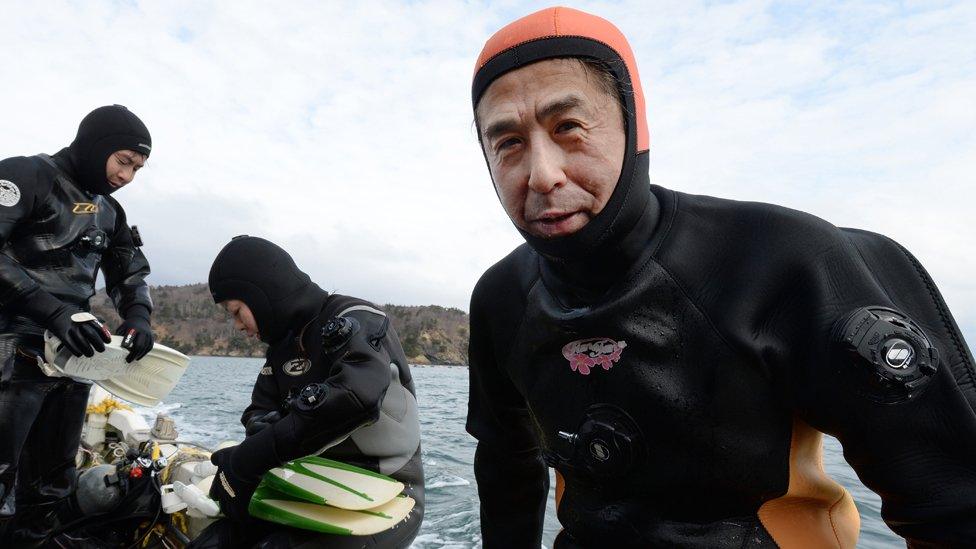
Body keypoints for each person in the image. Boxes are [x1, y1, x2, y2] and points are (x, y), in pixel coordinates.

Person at [465, 6, 976, 548]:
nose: (542, 175)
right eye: (509, 143)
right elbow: (506, 470)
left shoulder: (778, 262)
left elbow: (954, 504)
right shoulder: (503, 300)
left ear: (634, 127)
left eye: (568, 127)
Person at [193, 235, 424, 548]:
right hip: (306, 485)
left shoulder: (356, 317)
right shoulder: (281, 349)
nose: (238, 326)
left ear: (261, 295)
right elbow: (259, 407)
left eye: (236, 311)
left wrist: (254, 454)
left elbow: (358, 397)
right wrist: (260, 426)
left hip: (386, 494)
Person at [0, 105, 156, 545]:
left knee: (52, 480)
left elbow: (130, 275)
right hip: (11, 345)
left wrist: (139, 316)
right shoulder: (27, 175)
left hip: (74, 354)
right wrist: (53, 312)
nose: (127, 176)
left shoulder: (110, 213)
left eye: (137, 168)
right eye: (123, 161)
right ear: (96, 146)